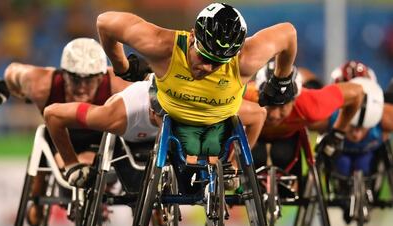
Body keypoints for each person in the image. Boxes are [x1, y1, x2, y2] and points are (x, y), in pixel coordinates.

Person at [94, 2, 298, 169]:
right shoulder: (161, 45)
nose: (208, 67)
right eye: (204, 57)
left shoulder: (246, 59)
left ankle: (231, 169)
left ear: (234, 54)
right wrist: (122, 67)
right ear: (192, 36)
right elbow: (105, 22)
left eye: (218, 63)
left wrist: (282, 79)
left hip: (219, 120)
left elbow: (289, 33)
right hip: (170, 115)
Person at [0, 37, 150, 226]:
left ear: (101, 76)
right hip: (60, 138)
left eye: (90, 80)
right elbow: (13, 72)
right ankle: (38, 195)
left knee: (116, 144)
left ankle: (132, 195)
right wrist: (2, 91)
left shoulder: (117, 84)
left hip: (102, 139)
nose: (82, 87)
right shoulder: (42, 84)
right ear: (64, 74)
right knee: (44, 134)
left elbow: (151, 90)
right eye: (76, 79)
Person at [240, 60, 367, 195]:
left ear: (294, 100)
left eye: (282, 106)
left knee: (282, 159)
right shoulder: (245, 96)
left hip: (288, 139)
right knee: (254, 159)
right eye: (270, 105)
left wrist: (338, 133)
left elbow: (358, 92)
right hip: (252, 136)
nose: (275, 115)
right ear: (259, 95)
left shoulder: (309, 104)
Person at [319, 61, 393, 222]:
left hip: (368, 156)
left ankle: (368, 192)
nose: (357, 134)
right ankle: (343, 192)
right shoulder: (328, 117)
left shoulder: (386, 116)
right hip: (341, 155)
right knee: (342, 163)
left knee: (364, 164)